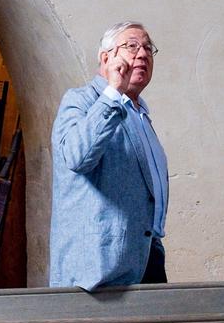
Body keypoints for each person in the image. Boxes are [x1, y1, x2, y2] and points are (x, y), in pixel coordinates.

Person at [49, 21, 170, 289]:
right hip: (99, 269)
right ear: (106, 58)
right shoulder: (81, 100)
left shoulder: (140, 114)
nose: (142, 54)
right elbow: (77, 157)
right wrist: (112, 92)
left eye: (148, 48)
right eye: (131, 46)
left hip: (145, 258)